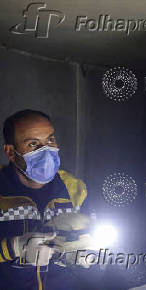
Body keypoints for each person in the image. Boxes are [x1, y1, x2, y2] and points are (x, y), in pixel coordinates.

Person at [0, 109, 91, 289]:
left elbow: (94, 240)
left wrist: (86, 257)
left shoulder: (74, 189)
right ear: (11, 152)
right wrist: (14, 247)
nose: (46, 151)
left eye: (50, 140)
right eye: (33, 144)